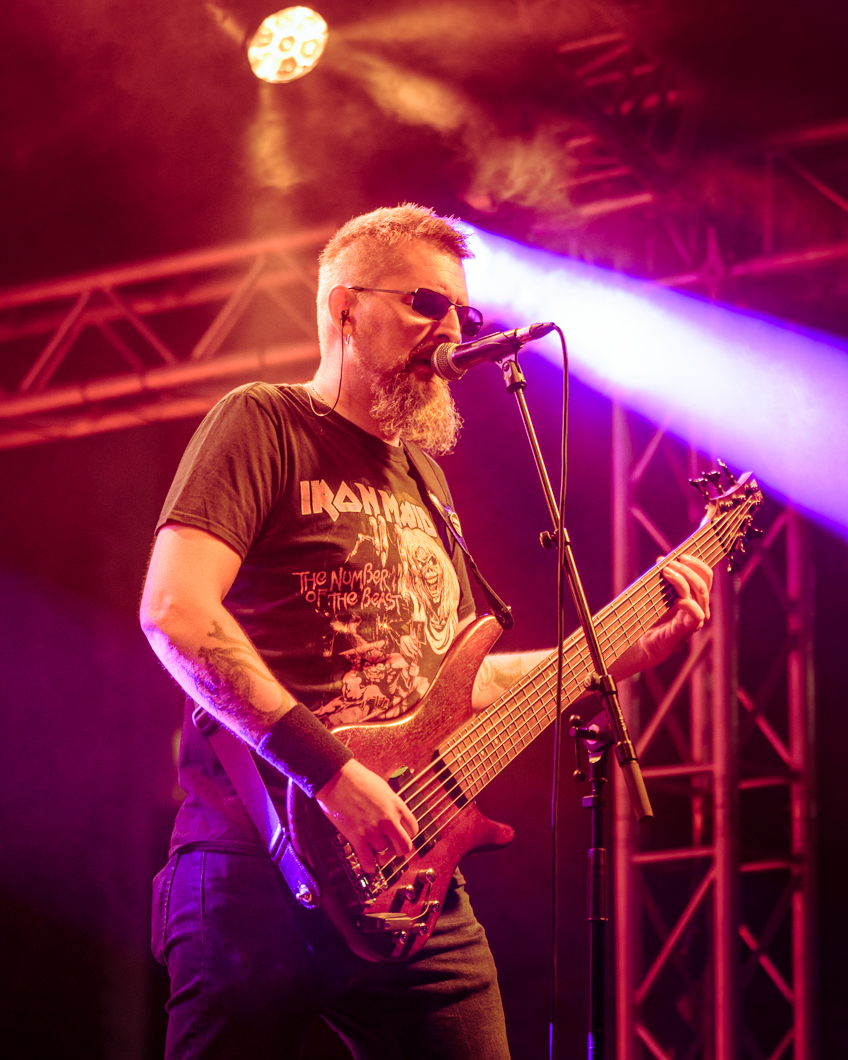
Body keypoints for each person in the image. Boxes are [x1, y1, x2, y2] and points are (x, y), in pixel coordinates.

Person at [140, 204, 712, 1059]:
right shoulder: (264, 422)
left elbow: (455, 684)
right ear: (343, 309)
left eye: (463, 314)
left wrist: (606, 657)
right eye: (425, 304)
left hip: (411, 879)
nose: (451, 331)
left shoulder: (427, 482)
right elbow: (176, 611)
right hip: (254, 865)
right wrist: (329, 771)